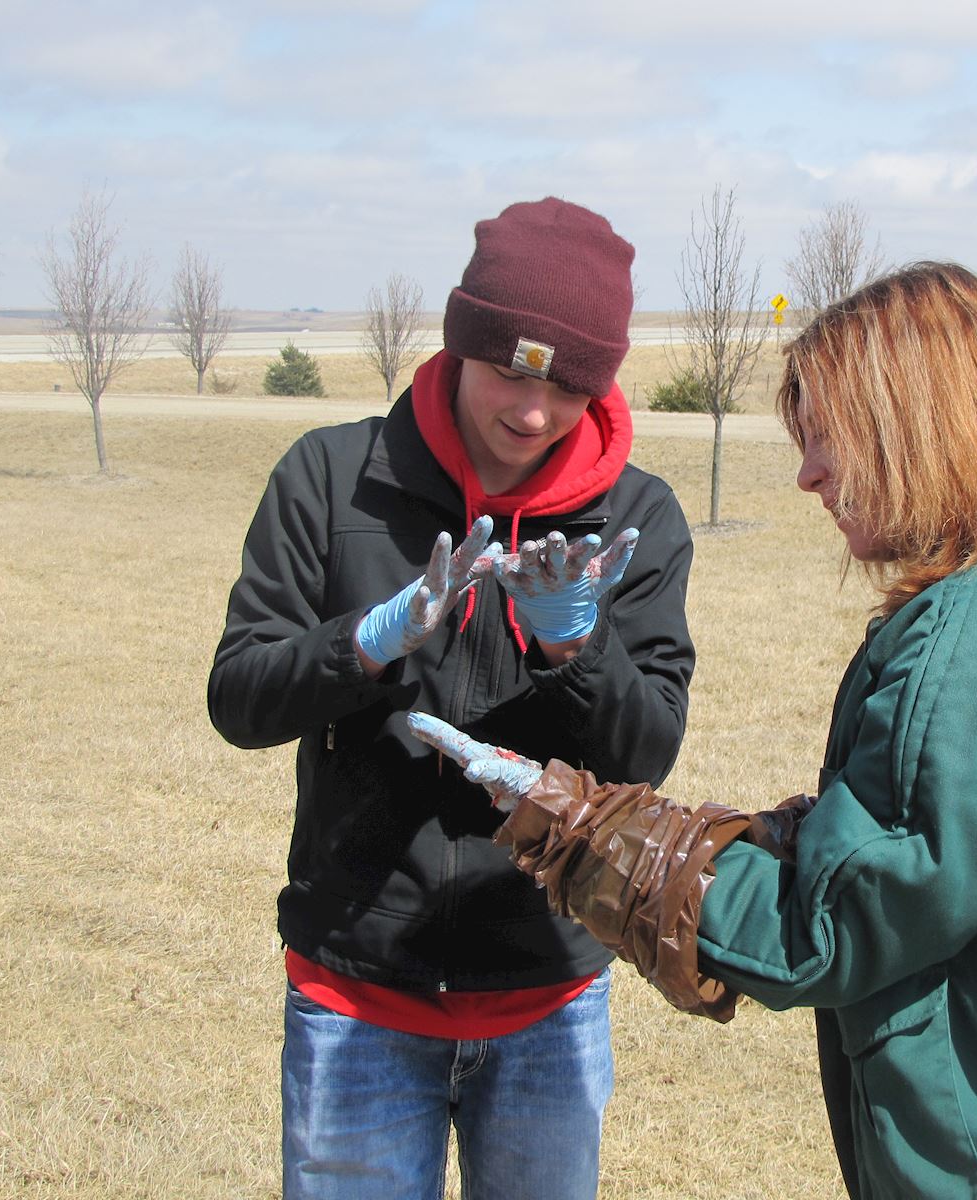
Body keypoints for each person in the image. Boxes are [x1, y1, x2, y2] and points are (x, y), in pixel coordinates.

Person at [410, 262, 977, 1199]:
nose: (806, 474)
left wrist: (576, 827)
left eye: (826, 440)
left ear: (922, 432)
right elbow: (914, 837)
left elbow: (837, 919)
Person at [207, 196, 696, 1200]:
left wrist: (576, 644)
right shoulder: (331, 481)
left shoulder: (635, 519)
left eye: (567, 389)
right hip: (356, 994)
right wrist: (366, 644)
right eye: (510, 373)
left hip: (548, 999)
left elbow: (645, 749)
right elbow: (239, 699)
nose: (531, 413)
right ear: (458, 341)